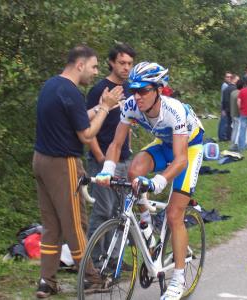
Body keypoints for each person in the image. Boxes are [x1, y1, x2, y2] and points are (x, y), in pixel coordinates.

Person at [96, 62, 204, 300]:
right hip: (163, 144)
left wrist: (159, 181)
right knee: (134, 170)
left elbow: (180, 160)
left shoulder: (174, 110)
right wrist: (107, 170)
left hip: (188, 150)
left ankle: (178, 280)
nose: (138, 95)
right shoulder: (132, 106)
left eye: (144, 90)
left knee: (174, 214)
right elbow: (115, 144)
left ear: (159, 89)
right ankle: (146, 228)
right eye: (134, 89)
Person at [32, 45, 123, 298]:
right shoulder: (70, 91)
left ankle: (46, 281)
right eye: (94, 66)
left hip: (40, 160)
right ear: (80, 64)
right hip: (63, 163)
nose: (95, 72)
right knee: (75, 224)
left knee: (51, 226)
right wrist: (104, 107)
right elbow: (85, 134)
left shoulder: (52, 85)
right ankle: (92, 278)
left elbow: (77, 118)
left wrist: (105, 107)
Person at [86, 44, 136, 262]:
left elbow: (127, 122)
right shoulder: (99, 90)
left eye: (129, 64)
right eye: (122, 63)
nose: (126, 68)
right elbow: (87, 128)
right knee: (103, 211)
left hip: (124, 158)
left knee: (120, 213)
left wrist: (129, 148)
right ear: (111, 63)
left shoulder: (130, 89)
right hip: (103, 160)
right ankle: (94, 263)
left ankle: (114, 260)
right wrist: (99, 157)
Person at [218, 72, 232, 141]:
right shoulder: (225, 86)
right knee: (223, 122)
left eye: (230, 77)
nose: (229, 78)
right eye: (227, 77)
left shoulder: (227, 85)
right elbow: (224, 98)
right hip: (224, 106)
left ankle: (223, 136)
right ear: (225, 78)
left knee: (224, 121)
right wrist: (224, 109)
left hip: (225, 106)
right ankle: (222, 137)